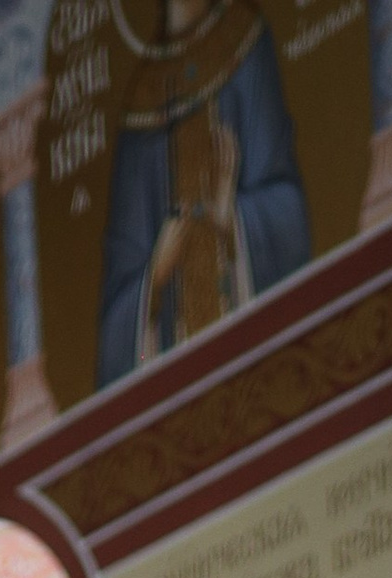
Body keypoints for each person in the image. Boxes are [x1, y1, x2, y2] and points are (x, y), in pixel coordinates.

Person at [96, 0, 311, 388]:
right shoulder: (141, 99)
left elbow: (290, 208)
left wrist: (234, 218)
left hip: (256, 363)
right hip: (176, 388)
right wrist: (153, 277)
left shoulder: (244, 43)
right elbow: (117, 310)